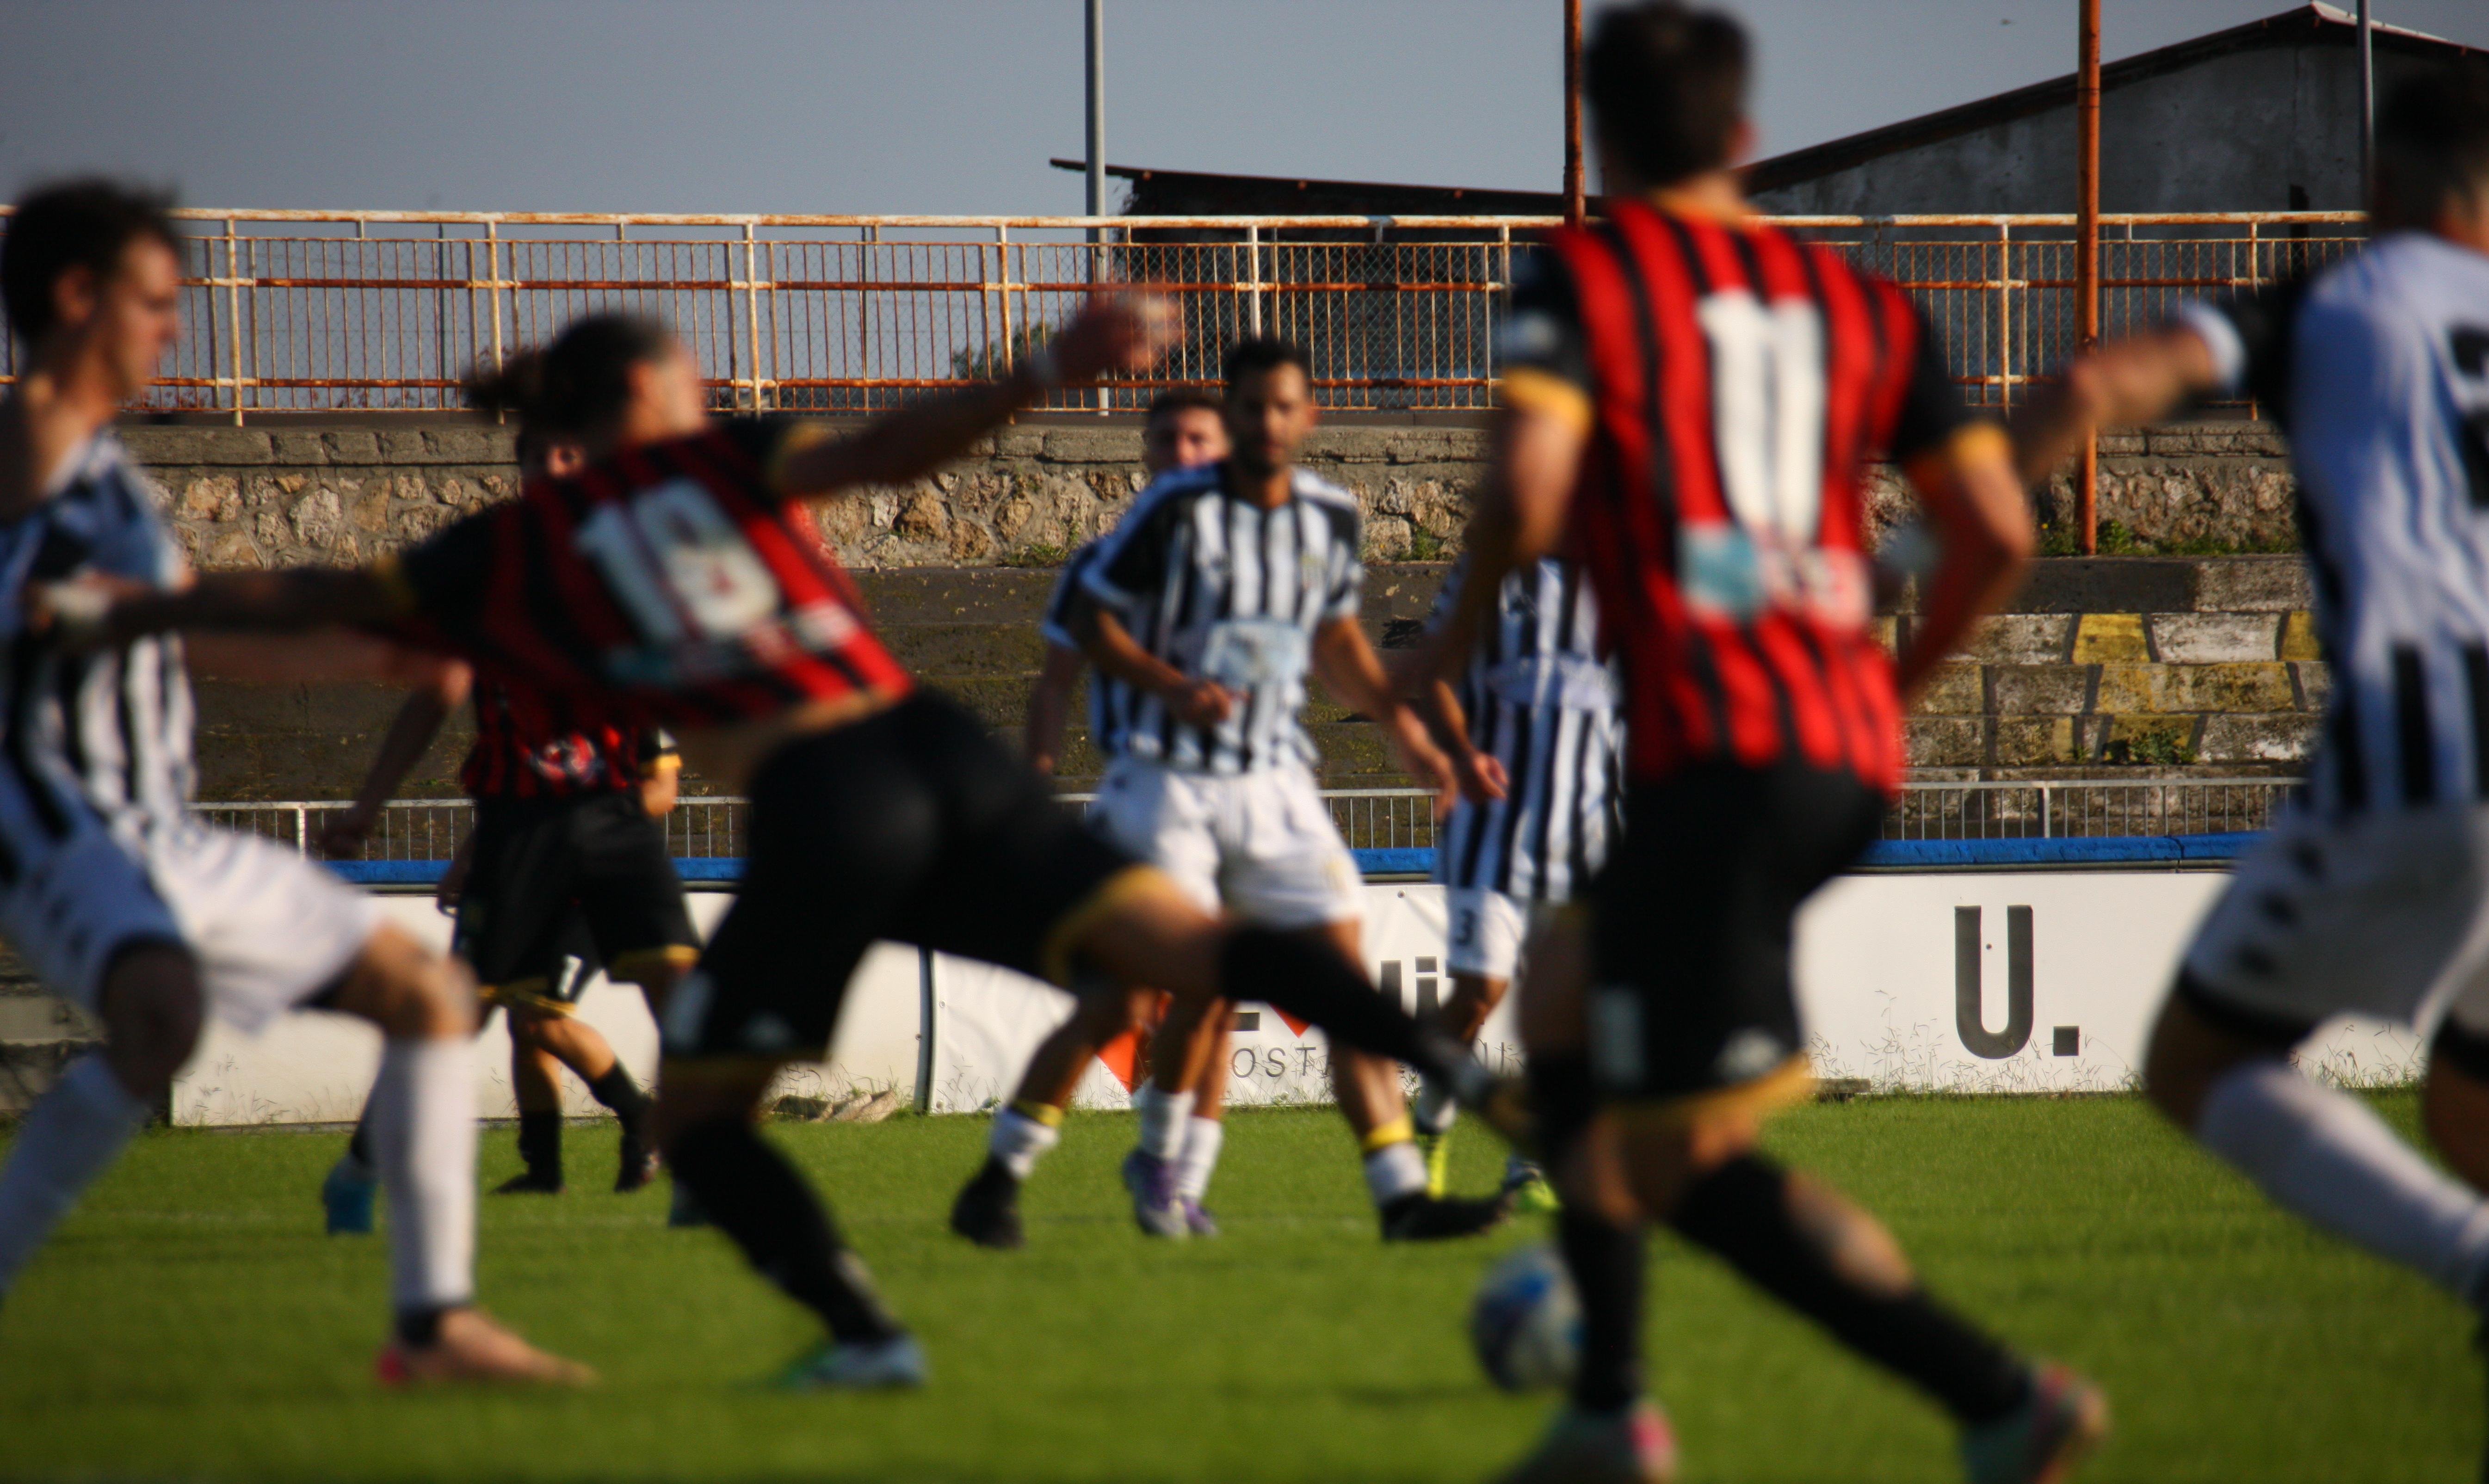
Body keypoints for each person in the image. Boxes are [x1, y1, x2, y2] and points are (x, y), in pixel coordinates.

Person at [63, 300, 1516, 1391]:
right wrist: (1043, 366)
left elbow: (309, 601)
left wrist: (137, 612)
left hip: (830, 802)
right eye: (689, 378)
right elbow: (895, 450)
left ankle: (868, 1335)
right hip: (932, 742)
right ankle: (1474, 1087)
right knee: (1195, 952)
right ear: (645, 395)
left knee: (702, 1123)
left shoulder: (508, 549)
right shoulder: (727, 460)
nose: (709, 391)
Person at [1418, 4, 2099, 1484]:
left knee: (1675, 1161)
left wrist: (1448, 636)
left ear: (1598, 141)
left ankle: (1994, 1396)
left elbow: (1527, 487)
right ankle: (1615, 1402)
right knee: (1559, 1000)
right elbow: (1998, 531)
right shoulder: (1863, 305)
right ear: (1743, 137)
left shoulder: (1585, 280)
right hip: (1821, 752)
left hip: (1721, 757)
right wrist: (1889, 688)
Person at [2008, 65, 2489, 1484]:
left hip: (2436, 740)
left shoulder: (2334, 300)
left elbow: (2095, 384)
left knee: (2198, 1064)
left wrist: (1936, 532)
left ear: (2378, 190)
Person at [0, 179, 589, 1384]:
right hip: (63, 826)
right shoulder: (30, 443)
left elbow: (185, 628)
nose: (175, 329)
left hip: (161, 832)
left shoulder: (103, 471)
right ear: (76, 297)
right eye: (155, 302)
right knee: (161, 1020)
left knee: (426, 995)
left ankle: (432, 1326)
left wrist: (367, 654)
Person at [1060, 335, 1510, 1244]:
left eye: (1283, 406)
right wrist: (1169, 686)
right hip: (1171, 784)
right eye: (1251, 407)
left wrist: (1410, 737)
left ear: (1310, 415)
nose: (1267, 422)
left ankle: (1399, 1196)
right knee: (1193, 995)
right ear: (1232, 416)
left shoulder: (1328, 517)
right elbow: (1089, 624)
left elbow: (1337, 642)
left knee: (1345, 989)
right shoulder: (1174, 516)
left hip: (1274, 783)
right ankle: (1159, 1162)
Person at [317, 413, 698, 1228]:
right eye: (539, 455)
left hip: (614, 818)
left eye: (570, 450)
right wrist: (367, 806)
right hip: (522, 824)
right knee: (455, 1019)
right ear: (521, 469)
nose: (555, 466)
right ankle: (357, 1171)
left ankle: (699, 1172)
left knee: (685, 989)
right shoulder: (487, 568)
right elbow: (436, 693)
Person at [951, 388, 1229, 1250]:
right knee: (1122, 1005)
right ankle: (1010, 1173)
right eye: (1166, 438)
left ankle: (1175, 1184)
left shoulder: (1258, 555)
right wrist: (1034, 781)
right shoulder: (1101, 563)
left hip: (1241, 802)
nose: (1182, 452)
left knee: (1216, 1000)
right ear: (1146, 453)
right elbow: (1054, 681)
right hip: (1148, 798)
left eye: (1199, 438)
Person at [1407, 553, 1621, 1213]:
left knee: (1567, 1009)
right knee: (1478, 995)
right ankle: (1429, 1131)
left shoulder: (1630, 566)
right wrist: (1460, 753)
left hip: (1585, 837)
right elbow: (1433, 674)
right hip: (1491, 829)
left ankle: (1531, 1161)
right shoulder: (1495, 571)